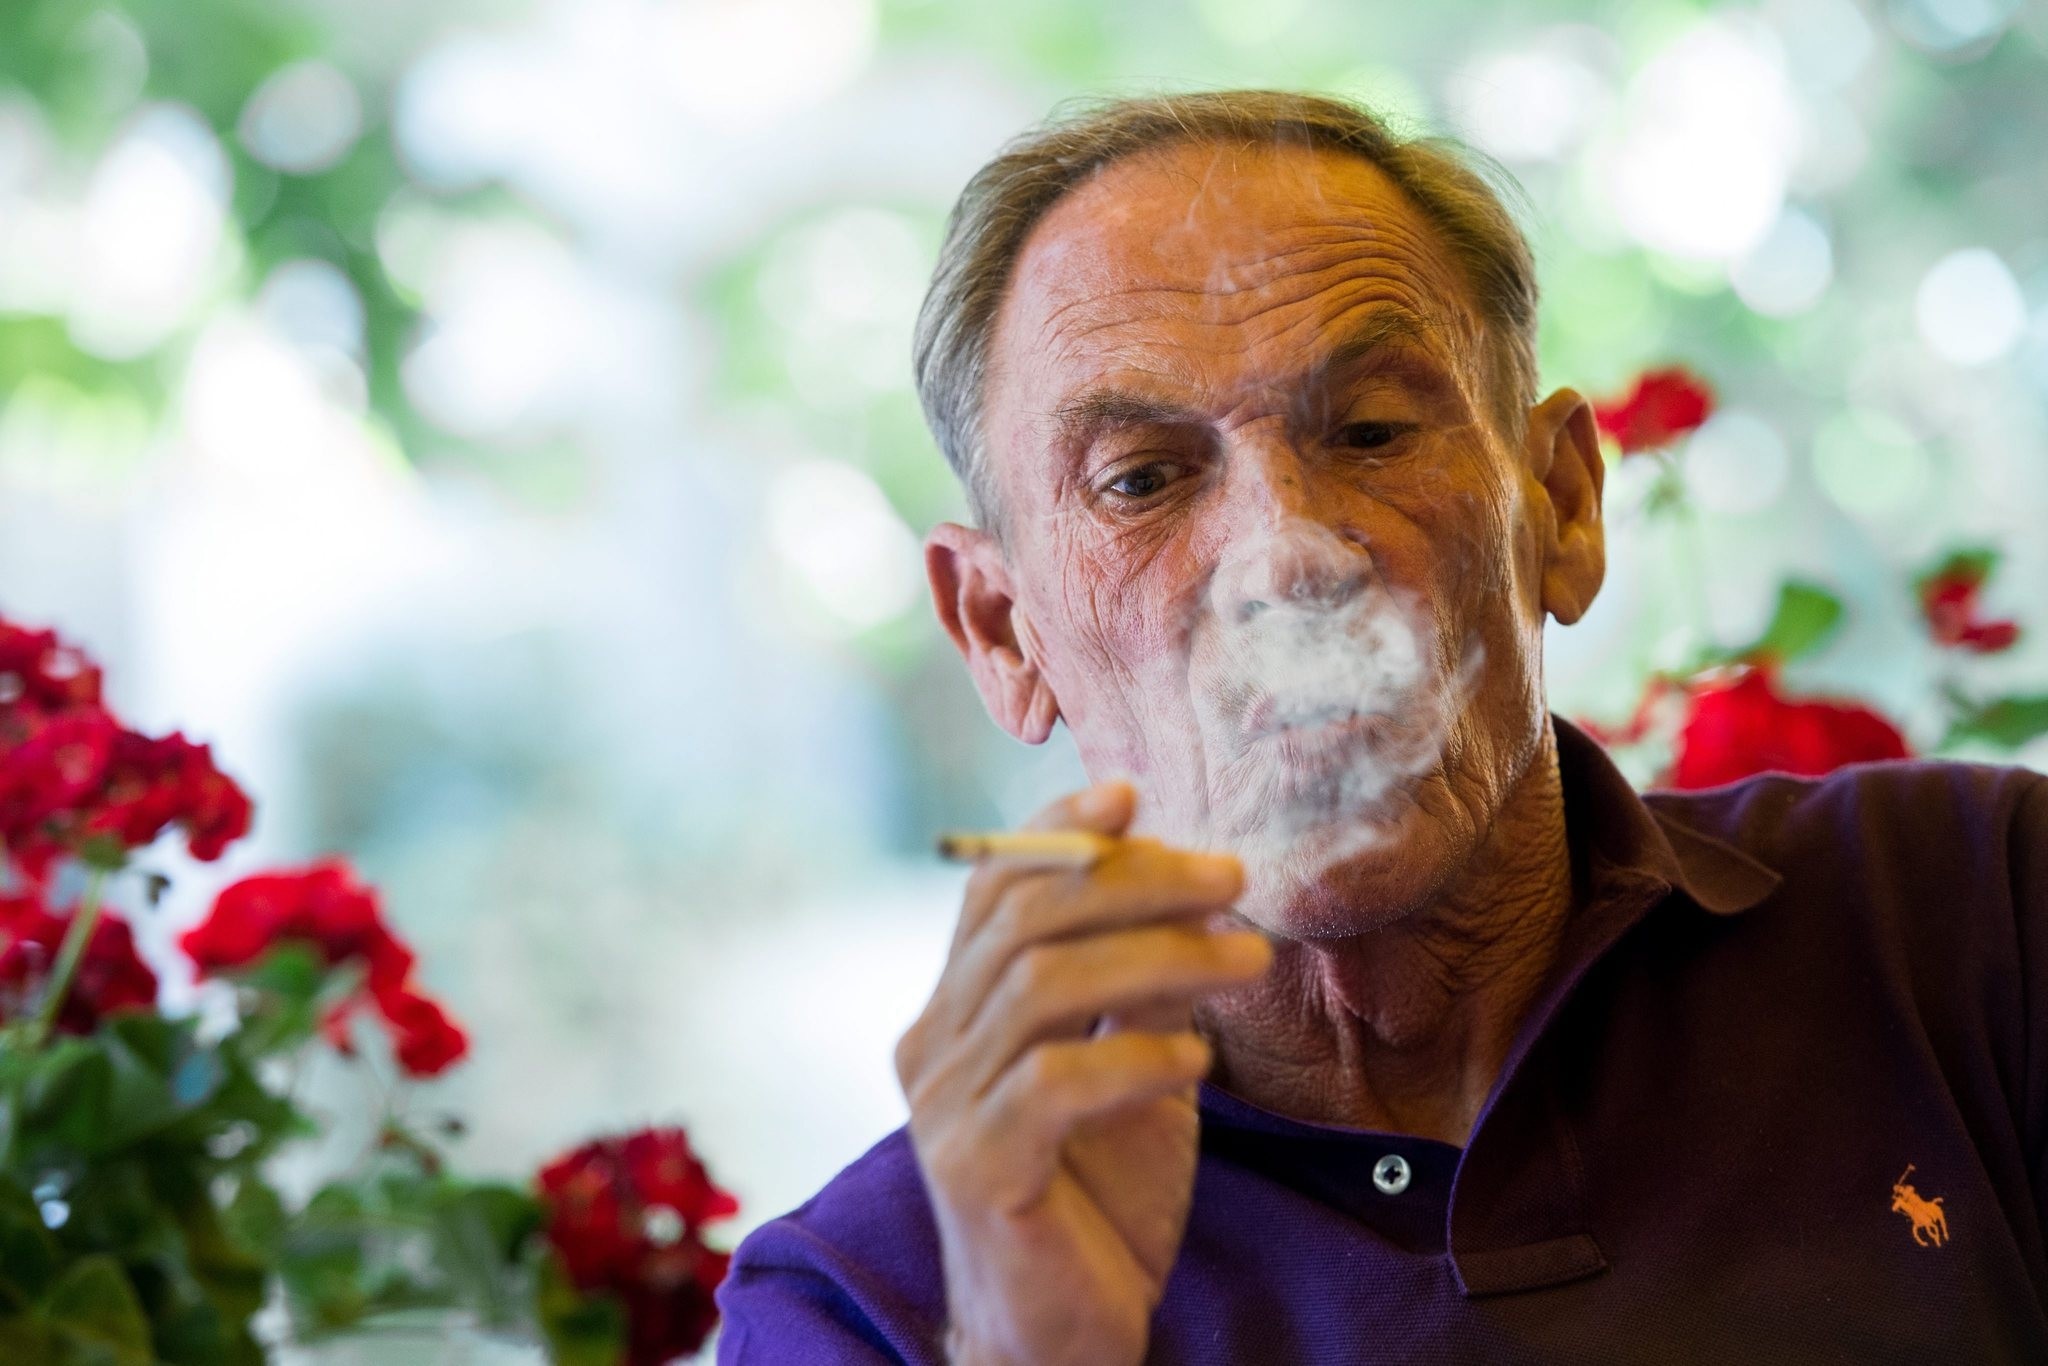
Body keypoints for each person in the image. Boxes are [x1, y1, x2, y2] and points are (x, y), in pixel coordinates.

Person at [715, 91, 2048, 1363]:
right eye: (1142, 479)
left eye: (1369, 430)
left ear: (1563, 509)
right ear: (1004, 633)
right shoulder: (874, 1303)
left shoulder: (1972, 914)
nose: (1288, 555)